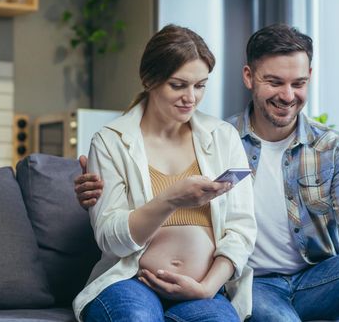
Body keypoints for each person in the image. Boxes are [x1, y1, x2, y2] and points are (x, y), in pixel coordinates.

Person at [75, 24, 339, 321]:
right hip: (243, 283)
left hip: (311, 278)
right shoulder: (223, 135)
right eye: (275, 82)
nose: (288, 95)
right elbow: (113, 225)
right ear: (249, 77)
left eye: (299, 83)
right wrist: (165, 197)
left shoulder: (330, 147)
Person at [72, 24, 257, 322]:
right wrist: (171, 199)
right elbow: (111, 239)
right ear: (149, 80)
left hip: (204, 288)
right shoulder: (110, 141)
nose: (191, 98)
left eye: (200, 85)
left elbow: (241, 230)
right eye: (178, 85)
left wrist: (207, 288)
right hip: (130, 281)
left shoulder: (223, 137)